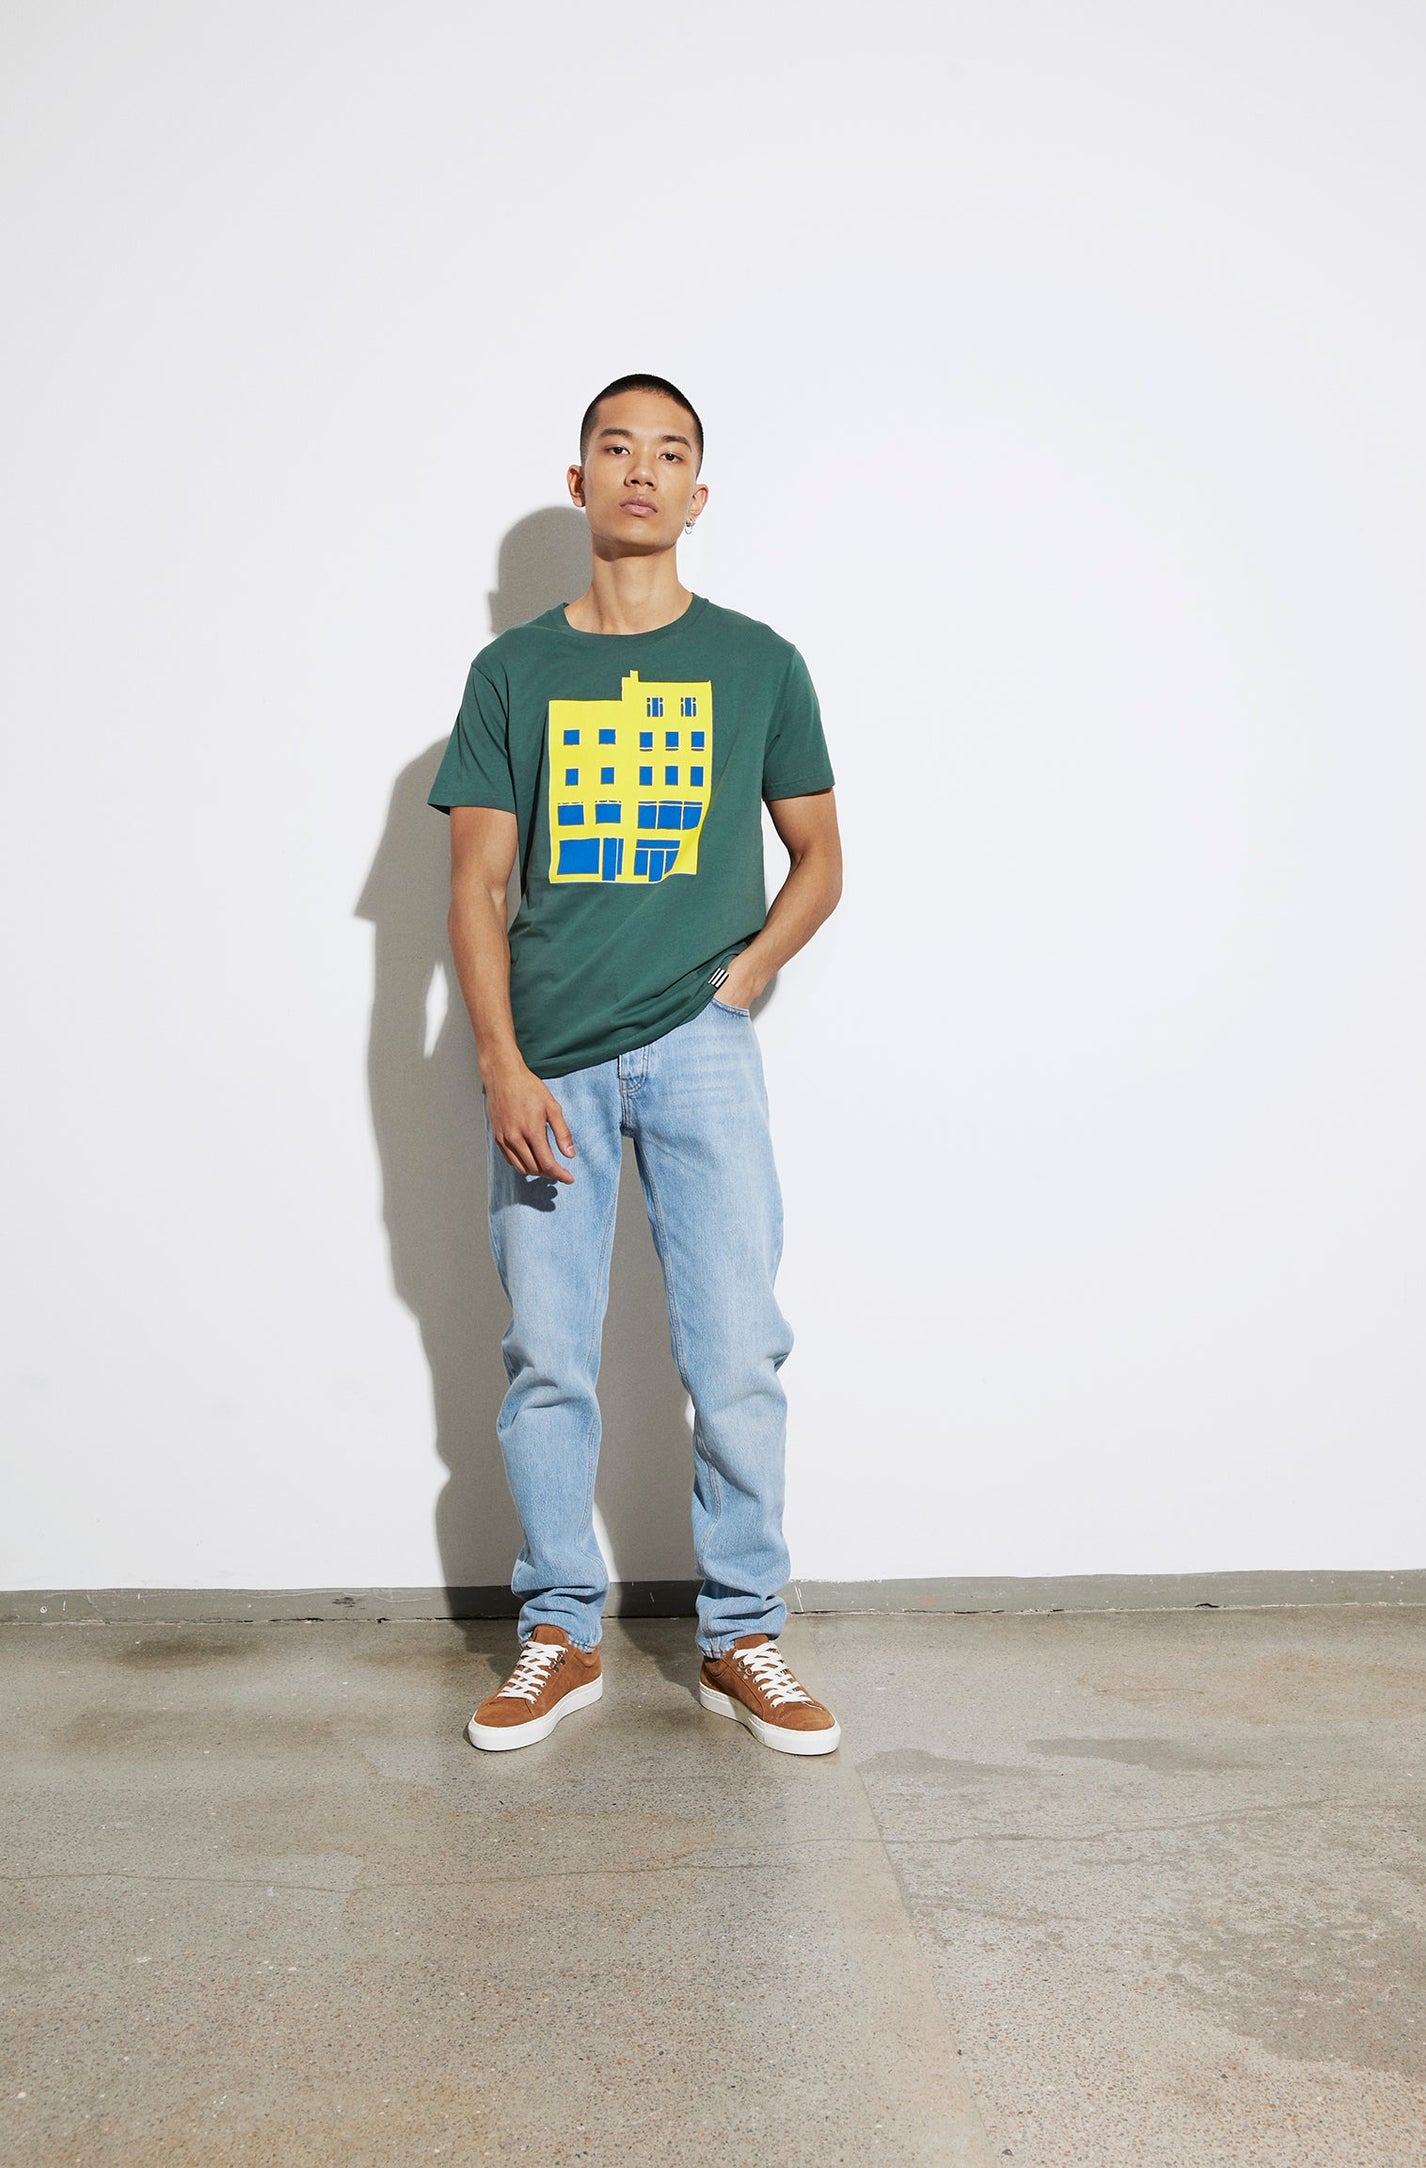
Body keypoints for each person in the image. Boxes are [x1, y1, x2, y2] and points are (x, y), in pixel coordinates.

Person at [428, 373, 844, 1757]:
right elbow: (475, 887)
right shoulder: (513, 673)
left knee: (737, 1354)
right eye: (618, 448)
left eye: (670, 454)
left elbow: (820, 856)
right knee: (548, 1359)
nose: (642, 471)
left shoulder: (756, 662)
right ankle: (559, 1633)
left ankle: (743, 1635)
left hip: (700, 1045)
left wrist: (747, 973)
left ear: (698, 494)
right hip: (548, 1059)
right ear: (580, 482)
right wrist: (499, 1062)